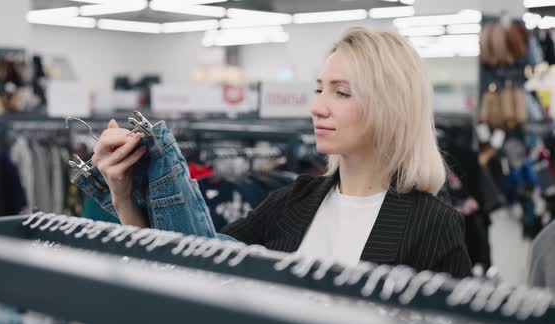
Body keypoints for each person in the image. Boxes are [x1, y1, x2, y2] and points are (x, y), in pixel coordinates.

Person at [91, 27, 472, 278]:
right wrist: (125, 199)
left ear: (391, 106)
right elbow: (194, 269)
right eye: (319, 89)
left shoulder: (432, 224)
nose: (318, 106)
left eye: (341, 92)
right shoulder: (292, 202)